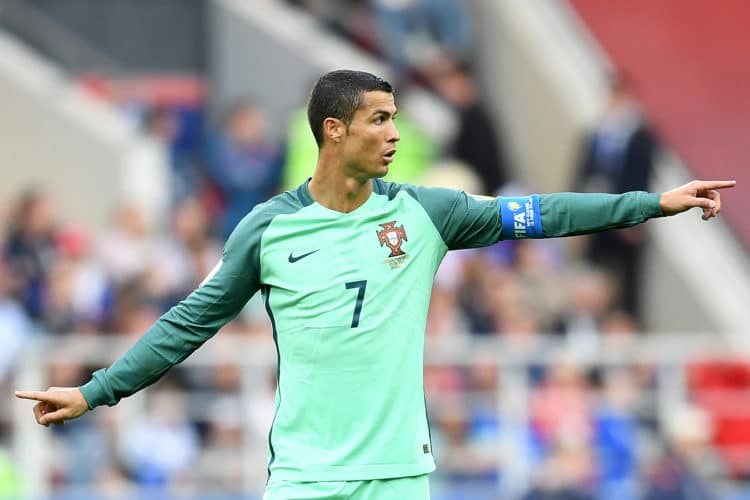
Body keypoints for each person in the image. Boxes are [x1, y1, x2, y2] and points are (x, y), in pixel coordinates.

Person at [15, 70, 736, 500]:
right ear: (334, 130)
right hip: (304, 474)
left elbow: (540, 213)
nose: (395, 134)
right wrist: (96, 390)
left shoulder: (428, 212)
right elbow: (188, 322)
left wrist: (652, 202)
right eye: (379, 120)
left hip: (397, 474)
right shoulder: (269, 230)